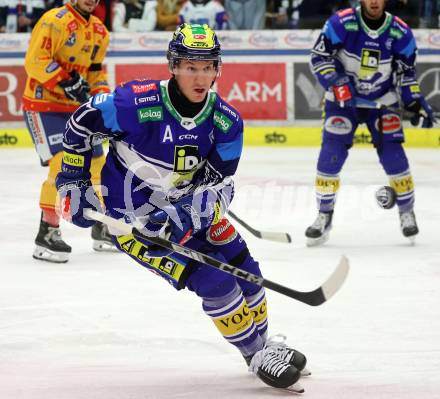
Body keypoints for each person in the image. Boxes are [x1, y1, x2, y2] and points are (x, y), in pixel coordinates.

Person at [55, 23, 310, 392]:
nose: (201, 76)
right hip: (133, 222)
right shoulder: (135, 104)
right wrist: (73, 180)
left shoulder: (226, 122)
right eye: (191, 66)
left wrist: (185, 213)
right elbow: (80, 124)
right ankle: (256, 353)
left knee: (245, 267)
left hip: (189, 210)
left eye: (208, 67)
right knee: (215, 280)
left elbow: (222, 185)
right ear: (173, 65)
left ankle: (262, 344)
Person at [306, 0, 436, 246]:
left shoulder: (400, 32)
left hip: (382, 102)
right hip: (343, 102)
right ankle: (324, 214)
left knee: (394, 157)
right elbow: (319, 56)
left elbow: (407, 73)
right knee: (330, 156)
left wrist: (415, 103)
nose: (374, 1)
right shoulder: (341, 22)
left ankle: (406, 211)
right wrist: (335, 81)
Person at [23, 0, 115, 263]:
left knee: (98, 165)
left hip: (77, 110)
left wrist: (102, 102)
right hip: (42, 105)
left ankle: (101, 225)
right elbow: (35, 60)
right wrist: (66, 80)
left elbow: (96, 73)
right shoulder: (54, 20)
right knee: (61, 163)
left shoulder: (100, 31)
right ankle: (48, 231)